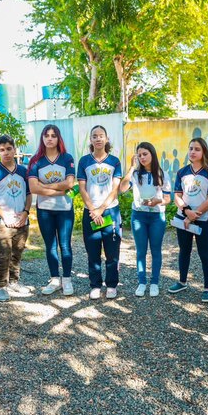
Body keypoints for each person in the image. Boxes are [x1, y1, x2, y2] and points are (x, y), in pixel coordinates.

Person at [0, 135, 33, 301]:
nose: (6, 153)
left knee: (17, 253)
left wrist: (25, 212)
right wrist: (4, 216)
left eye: (9, 149)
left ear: (14, 149)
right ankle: (2, 286)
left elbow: (28, 194)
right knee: (3, 255)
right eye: (2, 150)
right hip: (2, 221)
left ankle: (14, 281)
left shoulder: (24, 171)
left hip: (22, 220)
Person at [27, 124, 76, 296]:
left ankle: (67, 280)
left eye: (53, 135)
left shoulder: (67, 158)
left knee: (65, 245)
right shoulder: (35, 161)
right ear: (42, 138)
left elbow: (70, 183)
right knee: (51, 246)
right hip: (45, 210)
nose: (49, 138)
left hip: (65, 209)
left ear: (58, 138)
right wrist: (59, 190)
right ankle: (55, 279)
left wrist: (45, 186)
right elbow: (33, 188)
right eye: (46, 135)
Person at [169, 137, 208, 303]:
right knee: (184, 251)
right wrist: (186, 212)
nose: (193, 152)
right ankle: (182, 282)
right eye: (191, 148)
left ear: (204, 151)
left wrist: (195, 214)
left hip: (204, 219)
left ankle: (207, 288)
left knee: (205, 253)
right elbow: (177, 196)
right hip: (183, 218)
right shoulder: (182, 172)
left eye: (197, 149)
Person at [119, 142, 171, 297]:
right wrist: (131, 168)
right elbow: (122, 189)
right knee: (141, 251)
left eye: (145, 154)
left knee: (156, 250)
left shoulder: (162, 174)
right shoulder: (135, 174)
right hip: (139, 216)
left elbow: (168, 199)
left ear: (152, 154)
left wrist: (158, 201)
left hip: (157, 217)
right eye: (139, 155)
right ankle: (142, 282)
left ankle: (154, 283)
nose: (142, 157)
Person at [77, 125, 123, 299]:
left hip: (110, 212)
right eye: (94, 136)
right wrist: (93, 210)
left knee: (112, 252)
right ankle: (95, 285)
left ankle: (111, 284)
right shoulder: (84, 161)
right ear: (90, 140)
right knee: (93, 251)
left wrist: (101, 209)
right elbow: (82, 188)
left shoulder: (114, 161)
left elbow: (115, 189)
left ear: (106, 138)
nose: (98, 139)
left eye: (101, 135)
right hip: (90, 213)